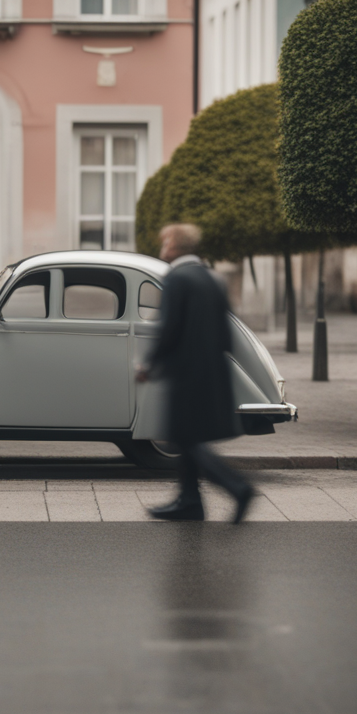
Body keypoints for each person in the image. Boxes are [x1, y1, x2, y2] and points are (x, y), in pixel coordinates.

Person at [136, 223, 254, 523]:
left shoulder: (177, 278)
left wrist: (150, 365)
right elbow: (227, 333)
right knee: (187, 438)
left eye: (165, 243)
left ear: (174, 246)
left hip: (186, 374)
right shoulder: (212, 278)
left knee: (186, 440)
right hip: (211, 372)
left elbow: (169, 329)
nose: (163, 249)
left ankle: (237, 487)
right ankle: (190, 502)